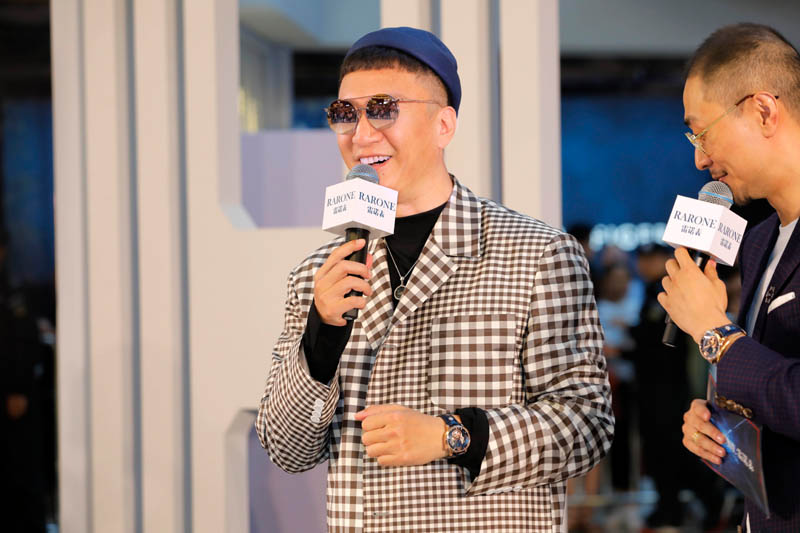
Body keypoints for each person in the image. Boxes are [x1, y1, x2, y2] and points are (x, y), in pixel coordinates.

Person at [256, 26, 613, 532]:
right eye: (345, 114)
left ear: (444, 125)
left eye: (383, 109)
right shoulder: (319, 274)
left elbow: (587, 425)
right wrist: (321, 335)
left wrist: (453, 435)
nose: (361, 135)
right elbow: (286, 449)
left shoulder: (538, 254)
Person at [659, 23, 800, 531]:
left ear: (763, 111)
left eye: (702, 132)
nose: (699, 157)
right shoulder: (759, 240)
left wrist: (715, 334)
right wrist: (722, 424)